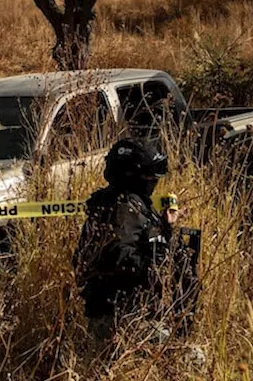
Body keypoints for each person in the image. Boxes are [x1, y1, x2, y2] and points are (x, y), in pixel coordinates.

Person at [73, 137, 181, 342]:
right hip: (120, 318)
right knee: (193, 358)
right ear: (138, 177)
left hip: (132, 313)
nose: (155, 184)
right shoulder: (122, 211)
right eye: (151, 178)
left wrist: (165, 229)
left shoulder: (125, 205)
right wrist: (157, 256)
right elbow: (123, 263)